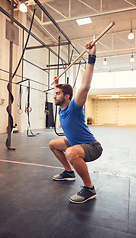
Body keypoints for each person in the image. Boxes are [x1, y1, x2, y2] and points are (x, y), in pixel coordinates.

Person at [49, 41, 103, 204]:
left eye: (57, 94)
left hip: (92, 146)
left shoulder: (74, 106)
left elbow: (85, 86)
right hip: (74, 142)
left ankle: (89, 189)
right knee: (53, 144)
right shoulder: (61, 106)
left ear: (67, 97)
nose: (54, 96)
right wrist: (57, 82)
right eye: (55, 93)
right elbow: (59, 92)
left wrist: (91, 56)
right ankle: (68, 172)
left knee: (70, 152)